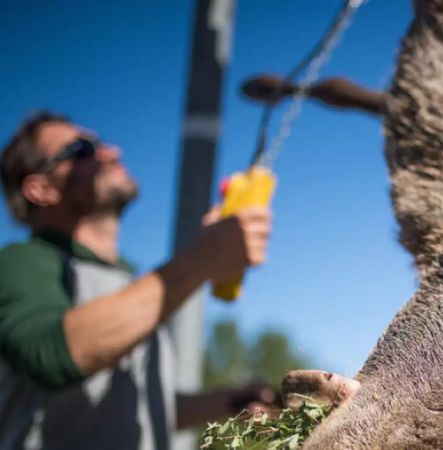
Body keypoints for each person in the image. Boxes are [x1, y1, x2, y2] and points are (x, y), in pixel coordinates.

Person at [0, 112, 276, 450]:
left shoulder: (124, 284)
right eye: (83, 149)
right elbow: (51, 354)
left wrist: (232, 401)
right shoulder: (20, 262)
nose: (112, 151)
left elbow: (137, 407)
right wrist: (202, 260)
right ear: (41, 189)